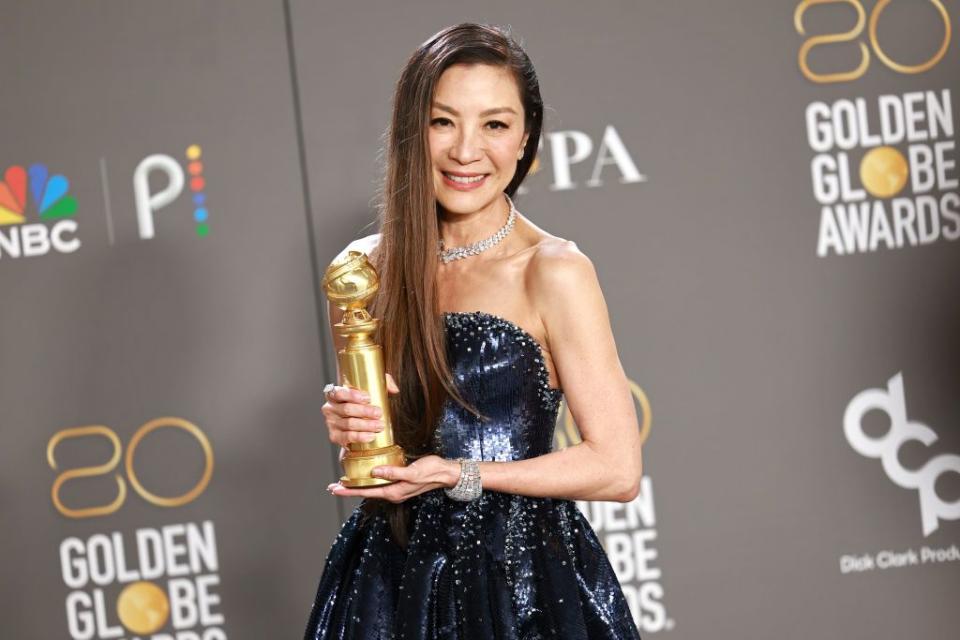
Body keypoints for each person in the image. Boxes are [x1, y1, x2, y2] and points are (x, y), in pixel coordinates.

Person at [304, 23, 643, 640]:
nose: (467, 151)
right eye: (443, 122)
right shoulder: (363, 271)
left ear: (524, 139)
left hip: (523, 583)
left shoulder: (554, 270)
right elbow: (385, 455)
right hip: (391, 579)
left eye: (495, 124)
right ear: (414, 132)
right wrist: (354, 426)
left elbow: (617, 467)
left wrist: (462, 474)